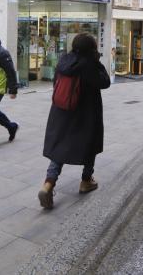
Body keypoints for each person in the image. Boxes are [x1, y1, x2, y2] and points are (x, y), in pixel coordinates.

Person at [38, 33, 110, 209]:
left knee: (60, 149)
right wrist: (97, 61)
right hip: (86, 113)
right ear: (91, 49)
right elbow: (105, 82)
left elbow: (56, 83)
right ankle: (86, 180)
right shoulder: (89, 64)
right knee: (90, 145)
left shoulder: (64, 61)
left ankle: (48, 183)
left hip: (62, 112)